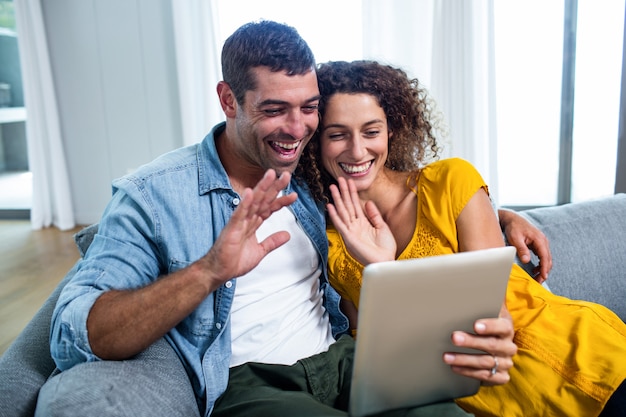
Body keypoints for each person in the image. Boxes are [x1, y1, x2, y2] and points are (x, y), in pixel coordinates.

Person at [39, 22, 541, 417]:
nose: (297, 128)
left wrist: (498, 213)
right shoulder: (153, 196)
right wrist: (209, 271)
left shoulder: (306, 171)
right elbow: (71, 333)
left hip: (348, 361)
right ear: (228, 99)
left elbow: (396, 185)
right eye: (276, 109)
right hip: (253, 383)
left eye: (309, 109)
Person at [297, 59, 626, 417]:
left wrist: (497, 214)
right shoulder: (329, 245)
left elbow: (493, 312)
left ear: (392, 129)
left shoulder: (452, 181)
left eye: (371, 131)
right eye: (337, 134)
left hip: (580, 351)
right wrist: (383, 268)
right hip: (489, 397)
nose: (357, 151)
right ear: (316, 141)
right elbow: (384, 361)